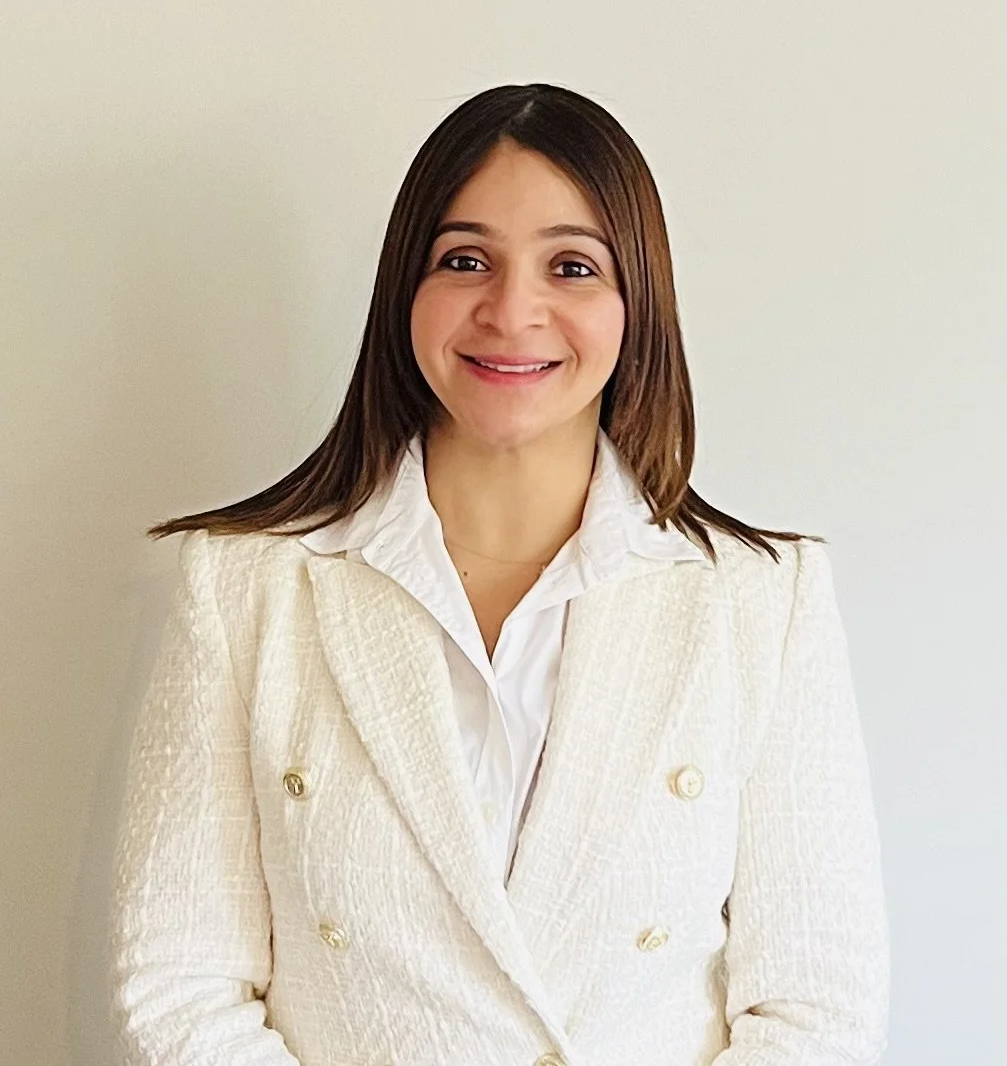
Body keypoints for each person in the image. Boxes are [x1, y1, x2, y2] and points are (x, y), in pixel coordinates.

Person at [107, 82, 890, 1066]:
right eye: (465, 259)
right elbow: (178, 985)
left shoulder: (759, 599)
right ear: (407, 289)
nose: (510, 309)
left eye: (570, 265)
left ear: (634, 304)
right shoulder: (244, 588)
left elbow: (816, 1005)